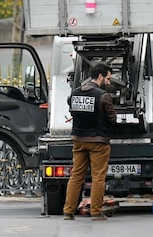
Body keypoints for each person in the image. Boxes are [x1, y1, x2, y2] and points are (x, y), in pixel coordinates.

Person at [63, 64, 115, 221]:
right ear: (100, 76)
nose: (109, 81)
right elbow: (112, 118)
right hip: (98, 141)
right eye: (107, 78)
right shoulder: (103, 95)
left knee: (76, 176)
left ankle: (68, 211)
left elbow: (72, 109)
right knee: (98, 177)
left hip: (78, 140)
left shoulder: (75, 94)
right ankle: (96, 212)